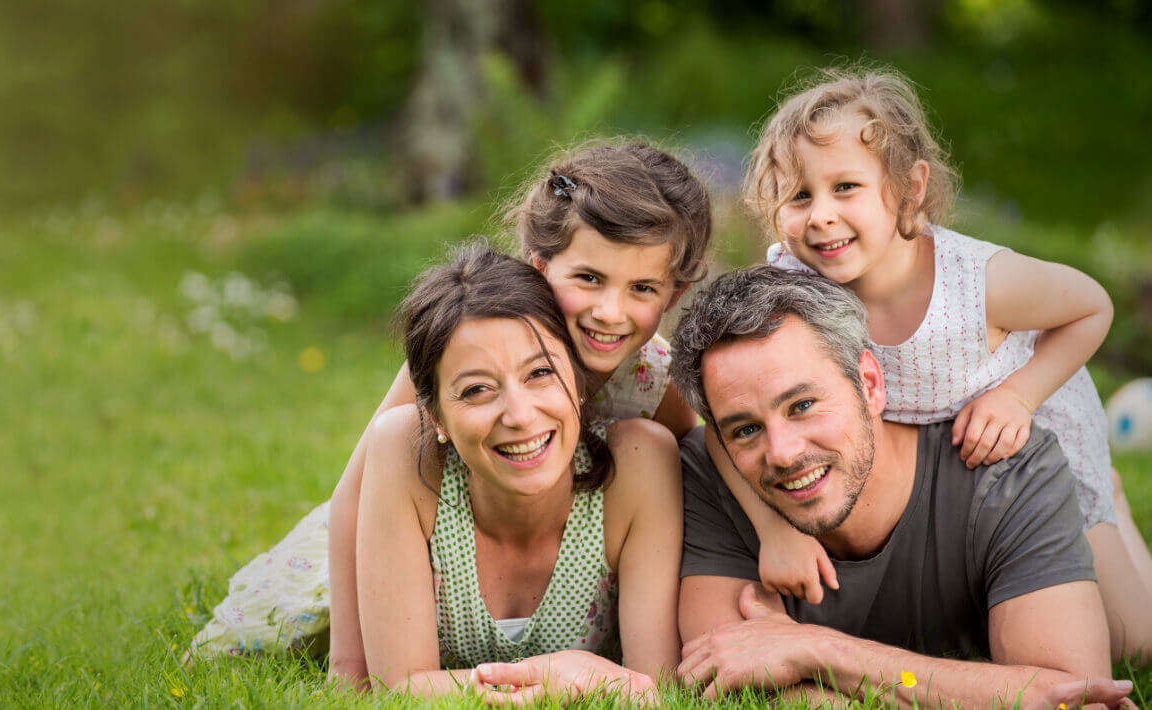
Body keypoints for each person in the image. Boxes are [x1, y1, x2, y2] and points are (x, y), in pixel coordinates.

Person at [472, 266, 1133, 708]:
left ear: (871, 385)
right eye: (745, 429)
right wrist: (967, 691)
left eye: (803, 405)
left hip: (1053, 505)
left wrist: (822, 653)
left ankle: (1116, 511)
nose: (783, 454)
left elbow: (1068, 695)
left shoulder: (1006, 474)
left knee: (1136, 634)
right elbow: (726, 687)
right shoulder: (705, 474)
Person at [187, 139, 713, 685]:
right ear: (539, 267)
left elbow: (693, 481)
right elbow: (356, 492)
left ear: (672, 296)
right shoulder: (473, 336)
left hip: (564, 535)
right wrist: (351, 668)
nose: (610, 311)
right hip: (403, 523)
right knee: (299, 633)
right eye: (589, 279)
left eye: (642, 288)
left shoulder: (656, 378)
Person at [724, 65, 1152, 660]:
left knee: (1133, 639)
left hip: (1022, 432)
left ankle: (1113, 506)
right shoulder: (792, 283)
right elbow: (722, 410)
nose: (820, 214)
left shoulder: (978, 284)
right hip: (927, 467)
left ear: (908, 188)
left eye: (845, 187)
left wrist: (1020, 395)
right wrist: (775, 528)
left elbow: (1090, 307)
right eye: (799, 196)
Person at [355, 241, 683, 698]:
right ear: (435, 418)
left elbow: (656, 689)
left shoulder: (638, 465)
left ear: (578, 379)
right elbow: (398, 689)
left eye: (540, 373)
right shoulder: (404, 450)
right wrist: (559, 676)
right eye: (476, 391)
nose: (520, 415)